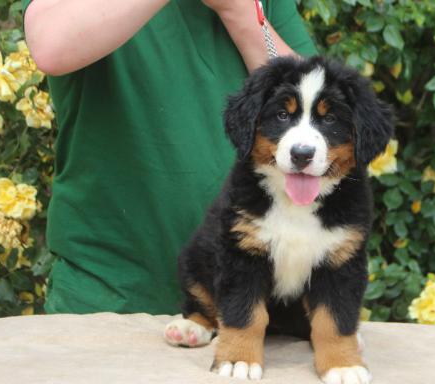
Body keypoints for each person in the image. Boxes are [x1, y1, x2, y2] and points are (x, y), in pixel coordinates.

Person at [23, 0, 317, 314]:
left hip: (247, 306)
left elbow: (313, 109)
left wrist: (239, 12)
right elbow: (50, 46)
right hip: (108, 302)